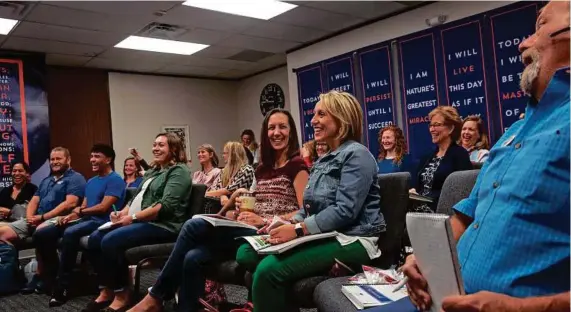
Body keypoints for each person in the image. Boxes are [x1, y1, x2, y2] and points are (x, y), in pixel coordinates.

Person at [403, 1, 570, 311]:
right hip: (447, 300)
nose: (523, 43)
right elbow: (467, 216)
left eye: (539, 27)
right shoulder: (512, 132)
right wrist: (424, 260)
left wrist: (518, 308)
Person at [128, 108, 310, 312]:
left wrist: (263, 219)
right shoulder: (262, 168)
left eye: (282, 127)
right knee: (192, 257)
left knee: (194, 225)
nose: (276, 132)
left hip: (272, 232)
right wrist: (239, 211)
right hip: (248, 230)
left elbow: (304, 211)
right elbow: (257, 201)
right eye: (271, 128)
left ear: (291, 131)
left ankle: (156, 295)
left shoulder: (297, 165)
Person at [235, 91, 385, 312]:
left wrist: (297, 230)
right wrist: (285, 223)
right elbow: (308, 208)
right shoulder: (323, 159)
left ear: (342, 119)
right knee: (245, 254)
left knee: (268, 271)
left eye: (321, 114)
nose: (313, 120)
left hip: (352, 239)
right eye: (314, 114)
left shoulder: (357, 155)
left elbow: (345, 211)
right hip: (323, 233)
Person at [82, 133, 192, 312]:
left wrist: (132, 218)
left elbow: (165, 207)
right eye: (154, 144)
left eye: (161, 145)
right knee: (94, 238)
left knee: (110, 241)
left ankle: (122, 294)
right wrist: (122, 213)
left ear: (174, 149)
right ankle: (107, 289)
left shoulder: (179, 171)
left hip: (164, 225)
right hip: (140, 220)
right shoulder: (154, 170)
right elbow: (135, 199)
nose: (155, 148)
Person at [31, 144, 126, 306]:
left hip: (102, 221)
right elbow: (83, 207)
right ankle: (52, 276)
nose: (92, 160)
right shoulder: (91, 181)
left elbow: (102, 207)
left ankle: (63, 287)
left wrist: (80, 213)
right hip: (87, 219)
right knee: (41, 234)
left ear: (108, 159)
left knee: (70, 233)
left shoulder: (115, 180)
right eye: (91, 156)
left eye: (97, 156)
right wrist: (70, 216)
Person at [0, 147, 86, 294]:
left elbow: (70, 203)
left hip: (58, 219)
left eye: (58, 159)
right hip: (37, 218)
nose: (54, 162)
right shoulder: (47, 180)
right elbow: (34, 201)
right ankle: (15, 276)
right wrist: (29, 218)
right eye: (52, 159)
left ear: (68, 160)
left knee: (40, 232)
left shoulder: (75, 178)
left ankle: (42, 273)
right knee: (2, 233)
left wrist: (42, 218)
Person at [409, 106, 472, 212]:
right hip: (417, 212)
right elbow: (417, 184)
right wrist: (413, 191)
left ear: (451, 128)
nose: (432, 129)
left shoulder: (460, 155)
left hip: (442, 213)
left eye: (437, 125)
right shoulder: (427, 157)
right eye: (431, 125)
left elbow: (463, 191)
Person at [203, 142, 254, 214]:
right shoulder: (224, 171)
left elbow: (232, 189)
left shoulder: (247, 169)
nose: (223, 156)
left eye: (225, 153)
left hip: (239, 206)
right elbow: (218, 188)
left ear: (233, 154)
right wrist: (223, 195)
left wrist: (205, 194)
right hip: (221, 204)